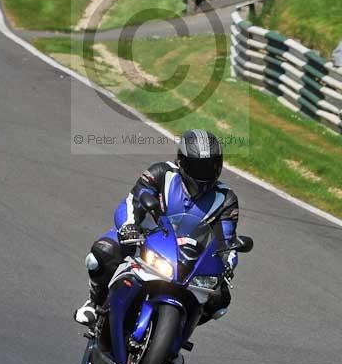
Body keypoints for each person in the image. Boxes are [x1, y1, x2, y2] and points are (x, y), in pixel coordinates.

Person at [75, 130, 239, 336]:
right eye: (198, 166)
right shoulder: (161, 173)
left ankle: (175, 333)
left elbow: (228, 241)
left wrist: (226, 265)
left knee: (219, 299)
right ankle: (95, 301)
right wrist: (128, 226)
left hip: (188, 258)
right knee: (101, 254)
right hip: (143, 239)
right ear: (182, 161)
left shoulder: (226, 198)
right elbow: (132, 201)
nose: (205, 172)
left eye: (211, 166)